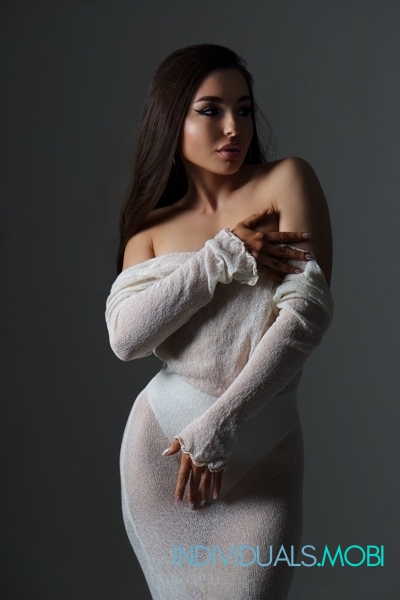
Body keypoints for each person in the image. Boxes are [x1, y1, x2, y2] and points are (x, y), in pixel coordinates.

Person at [105, 44, 333, 600]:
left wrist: (221, 424)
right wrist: (220, 257)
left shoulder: (286, 180)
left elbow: (304, 316)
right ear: (173, 121)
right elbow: (127, 340)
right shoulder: (149, 230)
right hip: (163, 452)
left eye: (244, 109)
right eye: (210, 110)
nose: (234, 127)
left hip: (262, 447)